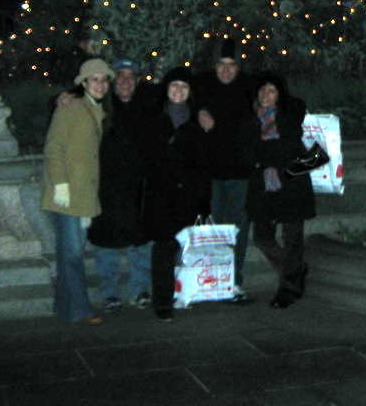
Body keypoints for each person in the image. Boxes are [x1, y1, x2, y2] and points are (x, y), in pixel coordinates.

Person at [41, 57, 114, 325]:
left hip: (82, 196)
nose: (100, 84)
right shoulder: (71, 108)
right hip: (67, 195)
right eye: (94, 79)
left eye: (104, 79)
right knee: (72, 256)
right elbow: (53, 147)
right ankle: (80, 310)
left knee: (69, 255)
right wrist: (61, 184)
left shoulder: (96, 110)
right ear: (83, 83)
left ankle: (65, 309)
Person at [238, 72, 314, 309]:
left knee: (292, 238)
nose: (265, 95)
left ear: (279, 95)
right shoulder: (250, 120)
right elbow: (246, 154)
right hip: (263, 186)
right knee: (262, 237)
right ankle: (296, 270)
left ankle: (289, 289)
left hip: (291, 185)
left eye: (271, 90)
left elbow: (292, 150)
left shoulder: (288, 119)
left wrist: (271, 159)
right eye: (262, 90)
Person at [142, 65, 210, 321]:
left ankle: (185, 293)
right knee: (163, 249)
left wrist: (204, 200)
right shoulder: (154, 118)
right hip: (161, 196)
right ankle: (162, 302)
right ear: (166, 90)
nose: (178, 91)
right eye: (174, 86)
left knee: (185, 249)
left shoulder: (197, 121)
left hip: (188, 197)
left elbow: (204, 164)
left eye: (183, 86)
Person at [86, 58, 152, 312]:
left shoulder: (146, 108)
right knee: (106, 245)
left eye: (130, 76)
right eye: (120, 76)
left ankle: (140, 289)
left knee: (140, 243)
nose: (125, 81)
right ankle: (110, 293)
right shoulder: (99, 109)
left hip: (137, 189)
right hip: (106, 189)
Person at [195, 39, 253, 302]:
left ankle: (233, 281)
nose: (226, 71)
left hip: (241, 174)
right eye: (221, 65)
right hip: (211, 175)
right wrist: (198, 113)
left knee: (236, 232)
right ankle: (210, 282)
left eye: (232, 66)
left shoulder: (249, 89)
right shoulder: (202, 87)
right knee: (212, 230)